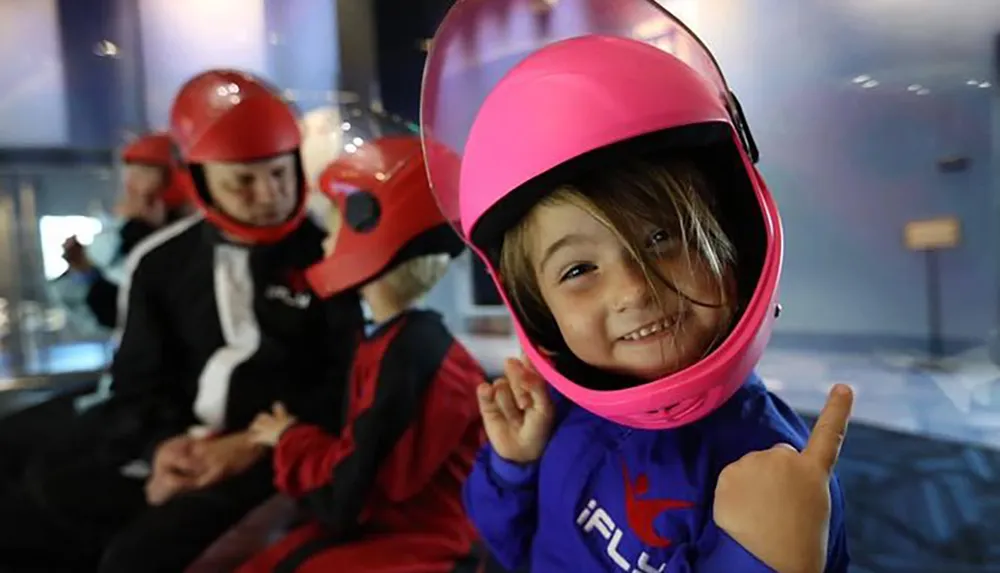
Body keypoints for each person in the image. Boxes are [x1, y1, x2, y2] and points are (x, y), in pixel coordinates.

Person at [419, 1, 849, 571]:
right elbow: (515, 548)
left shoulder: (776, 471)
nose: (633, 290)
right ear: (538, 310)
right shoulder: (564, 415)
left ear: (736, 242)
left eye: (663, 238)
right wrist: (513, 467)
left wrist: (767, 558)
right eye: (578, 270)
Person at [0, 69, 362, 573]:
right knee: (35, 496)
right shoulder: (161, 262)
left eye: (279, 173)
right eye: (243, 181)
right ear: (201, 181)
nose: (269, 195)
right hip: (181, 444)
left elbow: (346, 381)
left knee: (134, 559)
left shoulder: (327, 251)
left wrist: (246, 446)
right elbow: (136, 382)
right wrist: (162, 448)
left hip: (275, 452)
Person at [232, 135, 483, 573]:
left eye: (334, 229)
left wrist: (289, 438)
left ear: (372, 230)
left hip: (420, 547)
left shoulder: (410, 353)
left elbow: (349, 495)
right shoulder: (399, 339)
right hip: (395, 533)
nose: (327, 243)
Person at [59, 131, 194, 329]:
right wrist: (85, 270)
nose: (129, 187)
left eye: (140, 175)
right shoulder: (126, 235)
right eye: (130, 176)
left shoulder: (181, 240)